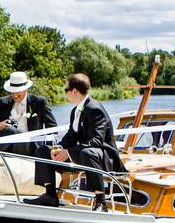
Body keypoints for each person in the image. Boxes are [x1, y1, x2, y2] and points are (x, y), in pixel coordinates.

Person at [27, 73, 125, 211]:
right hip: (82, 153)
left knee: (87, 152)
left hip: (103, 157)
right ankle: (50, 195)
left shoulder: (95, 109)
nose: (65, 93)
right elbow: (71, 136)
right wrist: (59, 148)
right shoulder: (76, 111)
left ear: (74, 91)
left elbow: (97, 141)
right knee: (42, 150)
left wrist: (69, 152)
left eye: (66, 90)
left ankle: (101, 202)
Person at [0, 71, 57, 156]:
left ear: (26, 89)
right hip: (7, 147)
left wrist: (48, 151)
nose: (15, 95)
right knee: (9, 132)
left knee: (11, 131)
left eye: (17, 92)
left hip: (31, 148)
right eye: (12, 92)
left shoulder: (39, 102)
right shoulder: (3, 102)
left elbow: (52, 129)